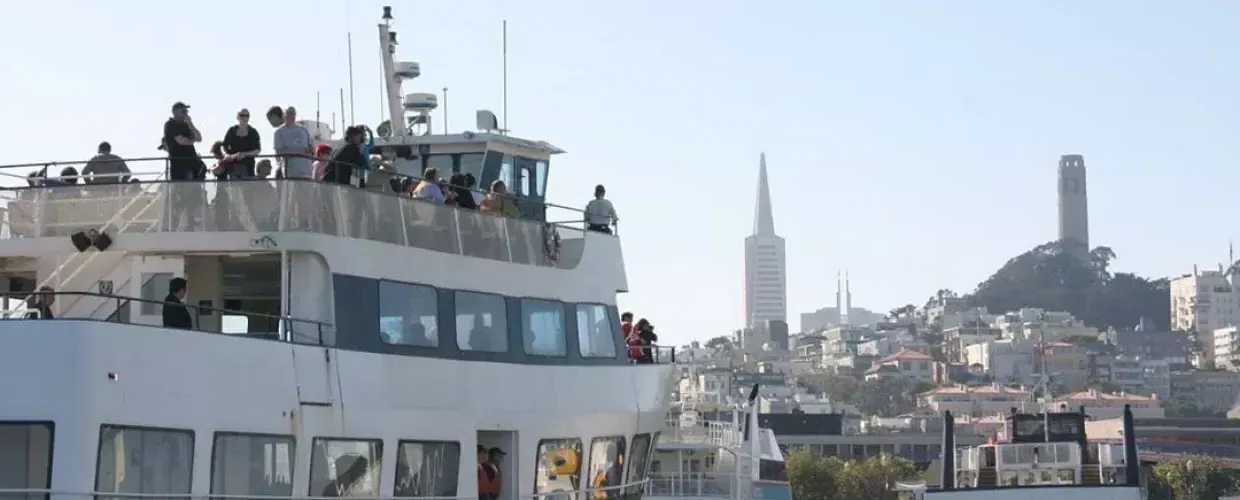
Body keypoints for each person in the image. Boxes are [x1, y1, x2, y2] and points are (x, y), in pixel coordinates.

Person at [273, 106, 314, 179]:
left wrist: (310, 149)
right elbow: (279, 151)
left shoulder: (303, 129)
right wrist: (298, 151)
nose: (292, 116)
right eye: (289, 113)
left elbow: (311, 146)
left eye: (293, 113)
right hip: (291, 171)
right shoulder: (279, 132)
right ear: (284, 115)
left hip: (306, 170)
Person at [221, 108, 262, 179]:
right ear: (238, 117)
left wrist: (244, 154)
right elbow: (224, 146)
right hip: (232, 166)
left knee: (246, 188)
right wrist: (228, 155)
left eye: (247, 115)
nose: (245, 117)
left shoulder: (253, 132)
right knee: (233, 188)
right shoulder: (232, 131)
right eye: (242, 115)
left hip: (248, 166)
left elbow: (257, 150)